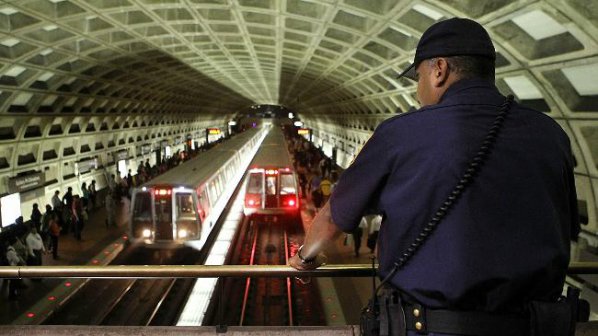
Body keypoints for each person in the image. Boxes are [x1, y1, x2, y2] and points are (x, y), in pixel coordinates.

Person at [290, 18, 580, 336]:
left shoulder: (400, 133)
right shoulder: (551, 134)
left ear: (439, 69)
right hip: (534, 327)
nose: (417, 93)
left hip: (429, 328)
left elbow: (333, 218)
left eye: (418, 78)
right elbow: (565, 227)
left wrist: (305, 257)